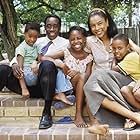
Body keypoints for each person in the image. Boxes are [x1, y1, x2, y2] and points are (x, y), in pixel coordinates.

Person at [0, 14, 69, 129]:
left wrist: (38, 62)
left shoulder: (66, 43)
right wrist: (14, 64)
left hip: (45, 86)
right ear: (45, 28)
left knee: (48, 65)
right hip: (24, 80)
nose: (51, 29)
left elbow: (55, 60)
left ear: (59, 27)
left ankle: (46, 113)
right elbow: (19, 55)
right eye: (48, 26)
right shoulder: (36, 40)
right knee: (2, 69)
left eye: (55, 26)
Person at [83, 8, 140, 135]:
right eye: (93, 25)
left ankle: (131, 116)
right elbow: (74, 51)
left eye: (100, 23)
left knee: (96, 76)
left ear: (107, 22)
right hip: (101, 83)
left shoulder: (119, 39)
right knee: (91, 87)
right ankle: (133, 116)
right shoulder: (89, 41)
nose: (97, 28)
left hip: (122, 81)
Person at [42, 26, 93, 127]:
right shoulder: (66, 52)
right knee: (78, 76)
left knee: (82, 76)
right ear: (69, 41)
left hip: (80, 85)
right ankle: (76, 112)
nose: (76, 41)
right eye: (72, 39)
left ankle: (78, 113)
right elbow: (44, 57)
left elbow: (87, 74)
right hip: (65, 84)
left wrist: (77, 72)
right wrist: (61, 65)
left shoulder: (89, 57)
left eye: (79, 38)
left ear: (84, 39)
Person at [111, 33, 140, 110]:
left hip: (138, 81)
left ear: (128, 47)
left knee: (137, 93)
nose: (116, 51)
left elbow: (113, 69)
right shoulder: (128, 56)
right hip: (135, 81)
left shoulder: (130, 57)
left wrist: (114, 58)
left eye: (120, 48)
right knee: (124, 90)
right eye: (114, 48)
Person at [15, 22, 40, 98]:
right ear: (24, 33)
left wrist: (36, 62)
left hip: (34, 72)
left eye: (35, 37)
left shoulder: (36, 46)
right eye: (30, 36)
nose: (32, 39)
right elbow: (20, 68)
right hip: (27, 74)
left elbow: (39, 58)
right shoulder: (21, 48)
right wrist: (24, 88)